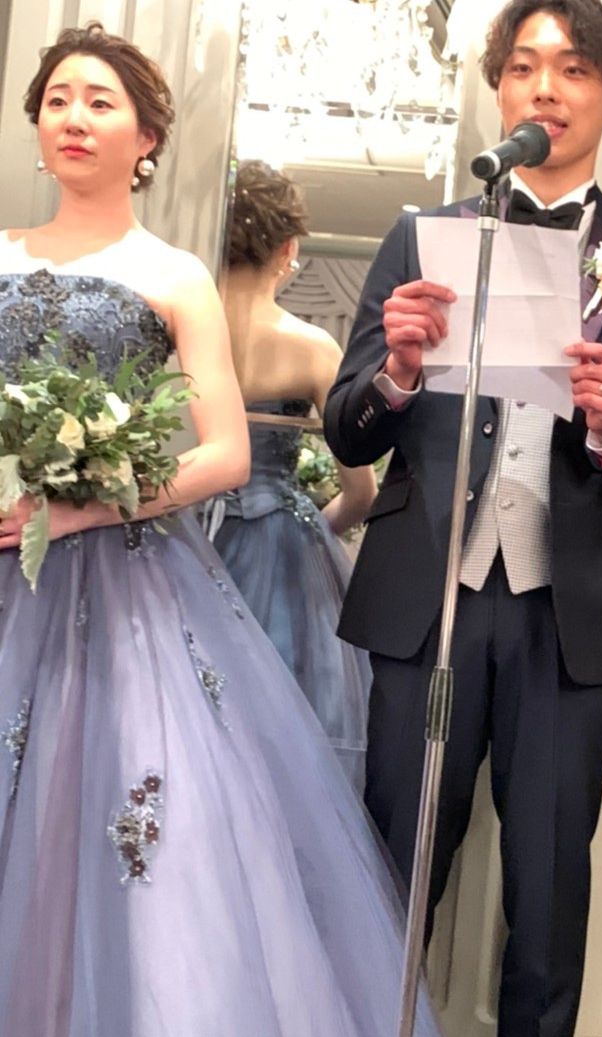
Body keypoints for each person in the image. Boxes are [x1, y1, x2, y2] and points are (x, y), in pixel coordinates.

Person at [0, 23, 497, 1037]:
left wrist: (86, 506)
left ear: (147, 140)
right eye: (58, 98)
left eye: (101, 102)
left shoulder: (172, 275)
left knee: (133, 852)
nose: (75, 117)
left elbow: (224, 454)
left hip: (127, 590)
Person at [324, 2, 602, 1037]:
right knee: (390, 874)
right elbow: (347, 427)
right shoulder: (422, 238)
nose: (546, 87)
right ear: (499, 91)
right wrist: (396, 372)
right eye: (525, 67)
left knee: (546, 894)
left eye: (574, 69)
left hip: (567, 618)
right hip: (426, 605)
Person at [209, 159, 376, 783]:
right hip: (280, 543)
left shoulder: (175, 332)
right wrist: (311, 531)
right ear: (288, 250)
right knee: (284, 739)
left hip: (177, 533)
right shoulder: (310, 346)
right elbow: (361, 491)